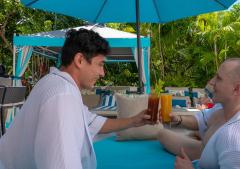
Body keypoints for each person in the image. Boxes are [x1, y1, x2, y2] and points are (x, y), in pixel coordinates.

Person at [0, 29, 154, 169]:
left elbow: (93, 123)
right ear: (80, 60)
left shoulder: (59, 85)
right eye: (100, 64)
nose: (103, 73)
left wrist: (135, 120)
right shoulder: (62, 96)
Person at [160, 58, 240, 169]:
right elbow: (203, 119)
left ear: (237, 89)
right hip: (208, 152)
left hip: (217, 151)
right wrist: (178, 119)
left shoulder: (235, 139)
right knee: (162, 134)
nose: (211, 82)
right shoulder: (231, 107)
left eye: (219, 78)